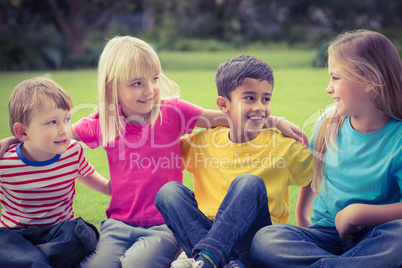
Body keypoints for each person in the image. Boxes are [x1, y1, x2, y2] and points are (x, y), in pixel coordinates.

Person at [0, 37, 305, 268]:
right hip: (117, 224)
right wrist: (10, 143)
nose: (149, 90)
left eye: (155, 79)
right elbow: (56, 134)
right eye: (137, 83)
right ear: (112, 87)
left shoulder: (172, 112)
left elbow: (224, 116)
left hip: (163, 226)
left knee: (134, 265)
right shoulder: (102, 123)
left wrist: (274, 120)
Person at [251, 29, 402, 268]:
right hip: (325, 234)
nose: (328, 88)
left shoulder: (398, 139)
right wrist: (301, 217)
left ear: (369, 82)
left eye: (336, 78)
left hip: (376, 236)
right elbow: (313, 175)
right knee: (265, 239)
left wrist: (358, 214)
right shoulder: (327, 123)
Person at [155, 55, 314, 268]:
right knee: (168, 192)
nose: (260, 107)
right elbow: (160, 150)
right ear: (223, 104)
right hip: (205, 234)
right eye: (249, 98)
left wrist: (302, 214)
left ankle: (207, 259)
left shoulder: (283, 146)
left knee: (248, 183)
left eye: (266, 99)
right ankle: (213, 260)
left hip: (255, 242)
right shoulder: (203, 142)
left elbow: (318, 172)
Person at [0, 75, 111, 268]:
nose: (64, 130)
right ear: (23, 132)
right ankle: (36, 260)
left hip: (59, 232)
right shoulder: (6, 162)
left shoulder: (72, 152)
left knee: (82, 233)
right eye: (52, 122)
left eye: (67, 119)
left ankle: (31, 262)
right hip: (16, 236)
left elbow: (106, 187)